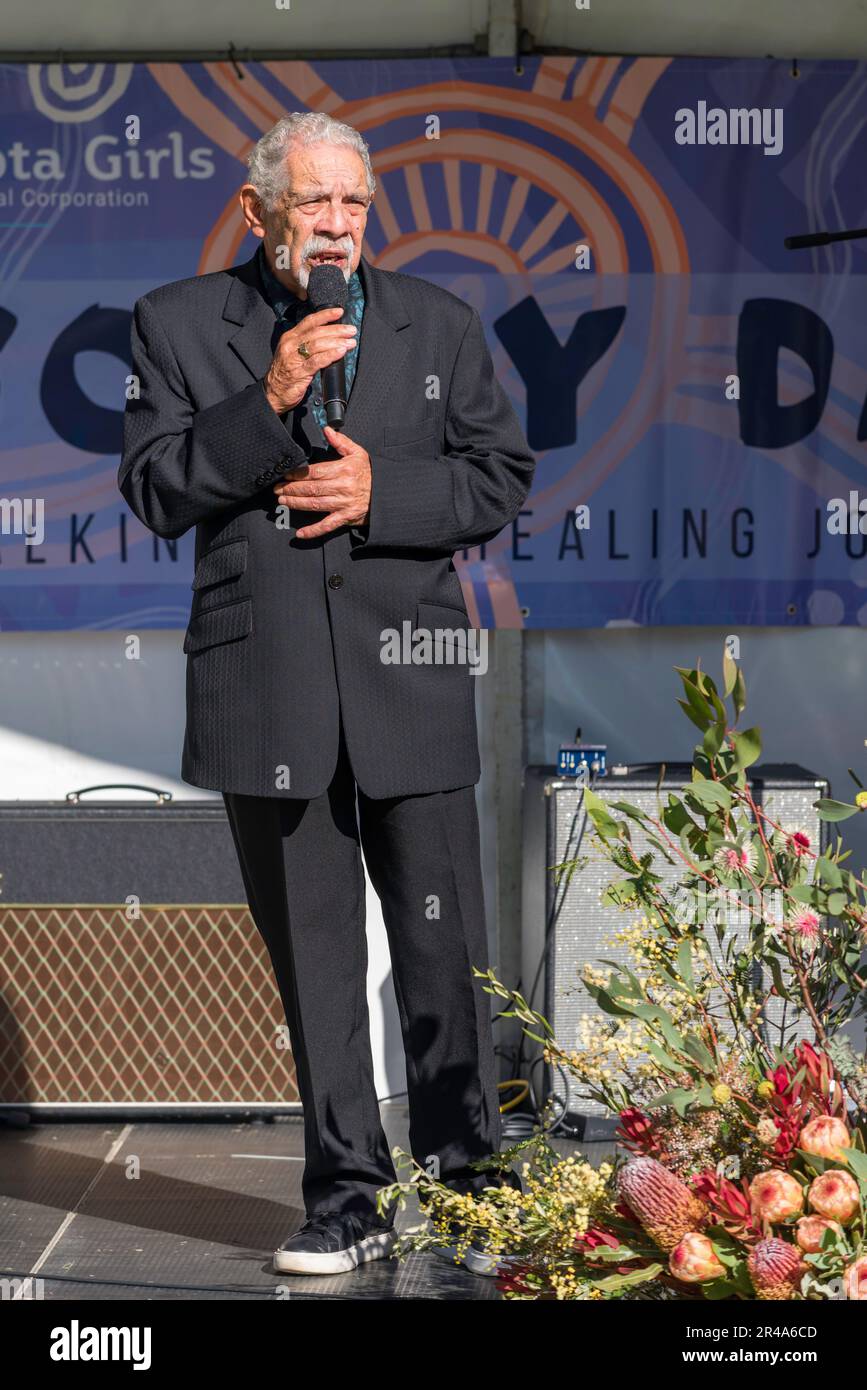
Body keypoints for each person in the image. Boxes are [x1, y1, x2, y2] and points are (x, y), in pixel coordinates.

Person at [120, 111, 535, 1276]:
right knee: (316, 961)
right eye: (315, 205)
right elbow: (156, 486)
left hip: (410, 677)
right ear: (260, 215)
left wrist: (380, 495)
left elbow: (500, 471)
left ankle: (468, 1177)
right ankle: (347, 1197)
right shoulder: (178, 323)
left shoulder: (437, 321)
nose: (339, 224)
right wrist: (268, 397)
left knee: (444, 945)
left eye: (354, 203)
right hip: (269, 685)